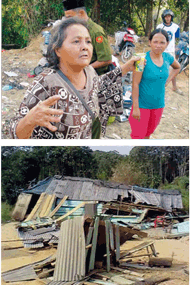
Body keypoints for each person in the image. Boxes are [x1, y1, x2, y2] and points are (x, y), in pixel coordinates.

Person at [10, 18, 139, 139]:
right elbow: (13, 132)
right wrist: (29, 120)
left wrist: (125, 68)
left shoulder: (89, 71)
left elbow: (99, 85)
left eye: (88, 41)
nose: (85, 47)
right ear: (58, 50)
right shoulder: (46, 83)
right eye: (76, 41)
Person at [129, 28, 180, 139]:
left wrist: (167, 81)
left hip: (158, 105)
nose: (158, 45)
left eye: (162, 42)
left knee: (148, 134)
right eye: (155, 42)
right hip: (142, 106)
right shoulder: (141, 59)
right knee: (138, 137)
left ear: (167, 44)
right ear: (149, 42)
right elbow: (135, 84)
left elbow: (177, 67)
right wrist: (136, 108)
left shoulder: (168, 57)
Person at [62, 0, 113, 75]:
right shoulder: (76, 30)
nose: (68, 21)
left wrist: (85, 69)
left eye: (70, 17)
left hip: (96, 76)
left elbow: (106, 60)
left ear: (81, 13)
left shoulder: (96, 32)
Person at [157, 9, 182, 94]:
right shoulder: (159, 27)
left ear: (171, 17)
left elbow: (177, 38)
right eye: (166, 17)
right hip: (161, 51)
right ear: (163, 18)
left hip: (171, 51)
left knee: (173, 69)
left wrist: (177, 48)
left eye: (169, 16)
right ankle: (159, 86)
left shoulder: (175, 27)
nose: (168, 18)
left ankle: (174, 87)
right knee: (159, 68)